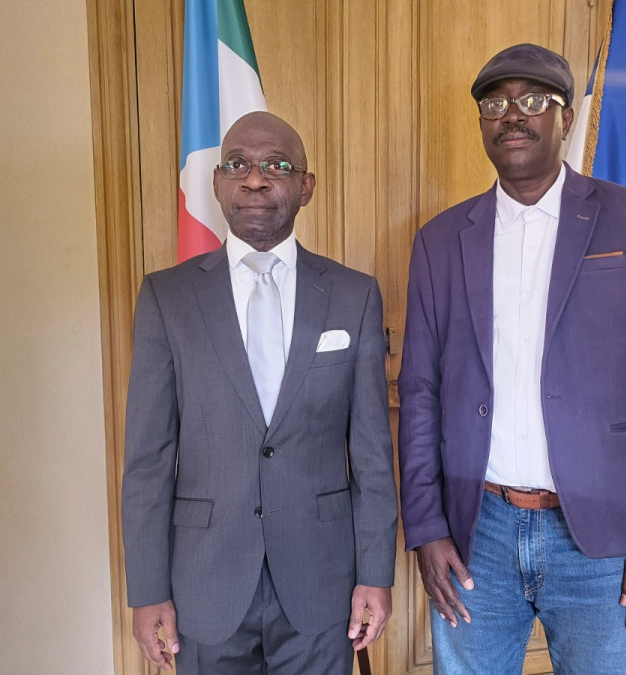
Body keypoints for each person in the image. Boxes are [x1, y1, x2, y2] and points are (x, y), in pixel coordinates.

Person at [398, 43, 626, 673]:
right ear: (482, 123)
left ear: (566, 119)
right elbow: (420, 389)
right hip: (477, 534)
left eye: (533, 100)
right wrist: (426, 527)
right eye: (495, 104)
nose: (513, 114)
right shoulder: (439, 240)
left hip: (605, 538)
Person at [121, 111, 397, 674]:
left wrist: (376, 573)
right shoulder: (167, 297)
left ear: (306, 186)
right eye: (237, 165)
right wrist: (147, 590)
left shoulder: (354, 296)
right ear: (217, 183)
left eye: (276, 165)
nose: (255, 179)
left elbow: (372, 455)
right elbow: (147, 460)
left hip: (322, 584)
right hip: (204, 584)